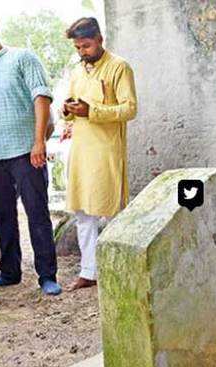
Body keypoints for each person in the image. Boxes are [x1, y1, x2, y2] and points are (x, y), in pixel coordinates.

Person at [0, 12, 61, 295]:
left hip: (25, 151)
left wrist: (39, 142)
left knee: (37, 213)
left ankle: (47, 276)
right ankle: (9, 272)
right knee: (3, 216)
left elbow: (40, 96)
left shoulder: (23, 58)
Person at [61, 17, 137, 290]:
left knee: (113, 210)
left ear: (100, 39)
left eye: (87, 45)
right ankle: (88, 271)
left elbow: (129, 109)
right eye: (78, 47)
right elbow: (70, 108)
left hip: (106, 150)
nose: (82, 52)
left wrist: (92, 111)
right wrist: (68, 110)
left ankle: (123, 269)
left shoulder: (119, 67)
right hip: (81, 148)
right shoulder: (77, 71)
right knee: (83, 212)